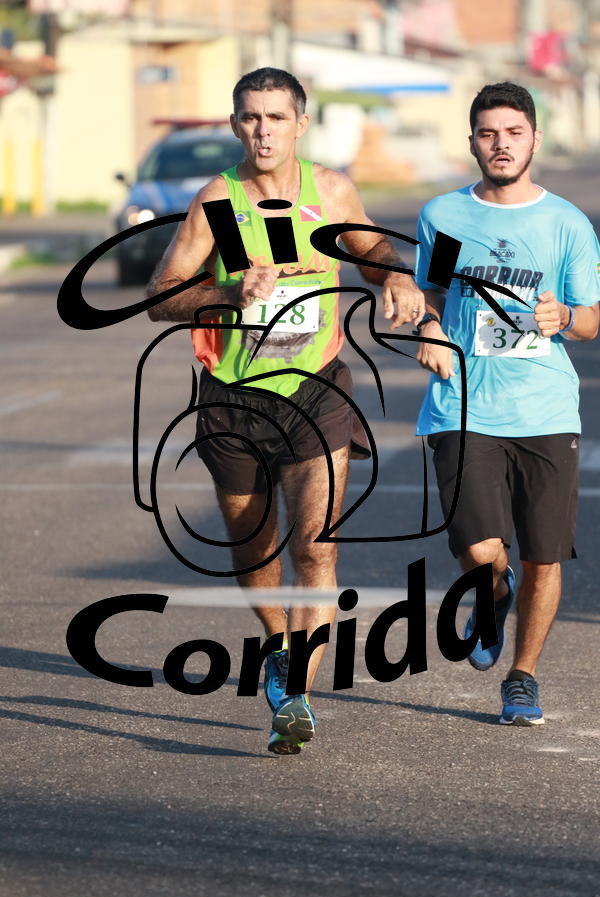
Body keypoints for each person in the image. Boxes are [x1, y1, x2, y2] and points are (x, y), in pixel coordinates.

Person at [145, 67, 424, 753]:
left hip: (316, 391)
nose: (263, 130)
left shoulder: (331, 191)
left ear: (300, 123)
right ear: (236, 124)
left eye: (276, 117)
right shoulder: (218, 201)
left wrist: (397, 279)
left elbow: (371, 251)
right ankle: (278, 645)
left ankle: (294, 693)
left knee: (315, 546)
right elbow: (159, 298)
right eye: (250, 118)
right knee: (254, 548)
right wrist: (229, 293)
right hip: (233, 399)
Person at [412, 82, 599, 725]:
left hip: (545, 408)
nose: (501, 144)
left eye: (513, 132)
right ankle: (491, 594)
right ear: (472, 141)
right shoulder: (444, 215)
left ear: (534, 139)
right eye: (488, 133)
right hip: (462, 405)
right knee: (481, 550)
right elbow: (429, 295)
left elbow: (591, 321)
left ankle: (522, 677)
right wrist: (429, 329)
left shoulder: (567, 223)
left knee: (544, 553)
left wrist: (564, 314)